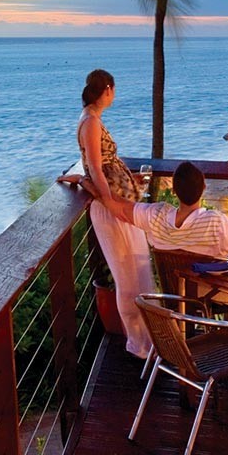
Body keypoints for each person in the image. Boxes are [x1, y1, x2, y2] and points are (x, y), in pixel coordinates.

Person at [71, 69, 154, 358]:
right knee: (128, 277)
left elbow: (97, 166)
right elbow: (94, 166)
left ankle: (150, 339)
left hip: (118, 206)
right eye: (114, 90)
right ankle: (139, 343)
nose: (114, 95)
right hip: (111, 209)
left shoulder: (91, 118)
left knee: (137, 271)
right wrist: (109, 201)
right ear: (107, 89)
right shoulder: (91, 121)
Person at [102, 160, 228, 259]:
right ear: (204, 188)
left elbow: (120, 208)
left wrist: (89, 183)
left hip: (173, 296)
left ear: (174, 191)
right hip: (210, 298)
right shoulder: (215, 223)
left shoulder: (156, 216)